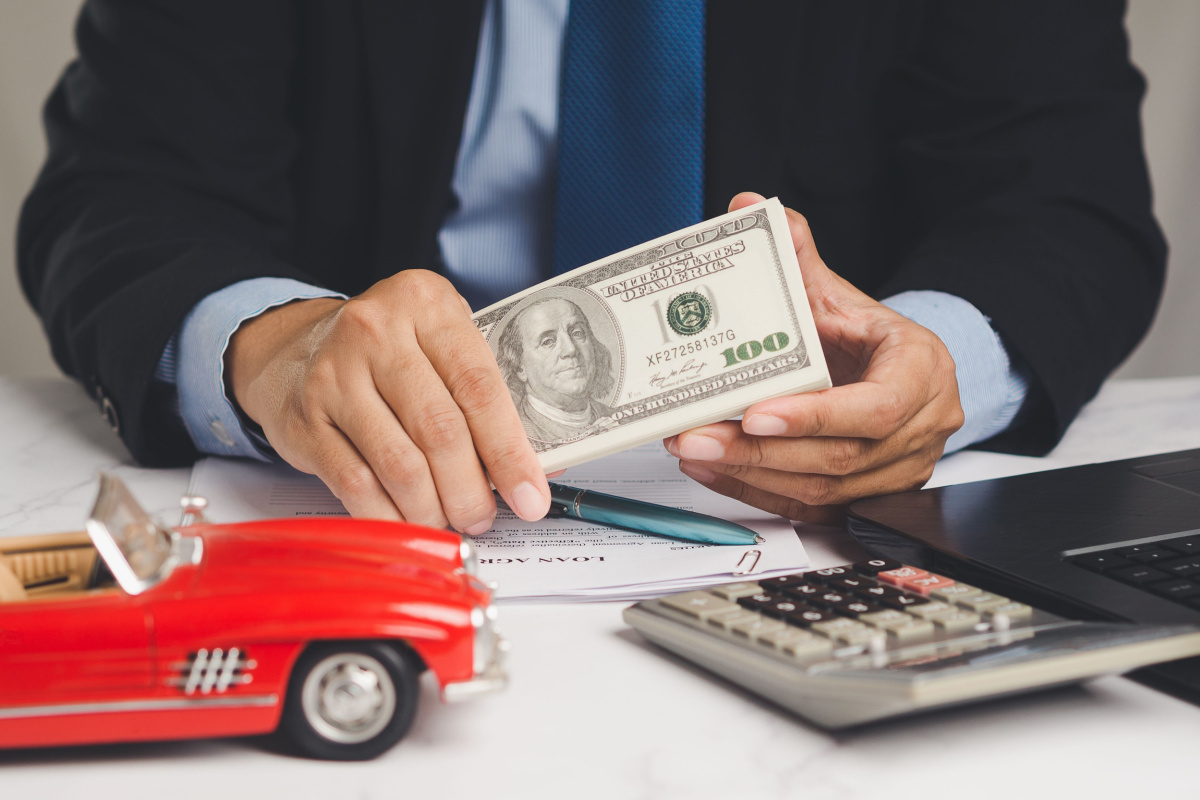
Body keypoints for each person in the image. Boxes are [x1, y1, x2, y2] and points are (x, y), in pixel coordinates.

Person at [18, 2, 1165, 535]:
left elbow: (1062, 202)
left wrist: (937, 362)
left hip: (793, 532)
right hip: (378, 514)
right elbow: (121, 191)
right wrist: (271, 345)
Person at [495, 297, 617, 447]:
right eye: (547, 341)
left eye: (577, 333)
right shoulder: (511, 437)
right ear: (520, 367)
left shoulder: (616, 416)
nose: (571, 349)